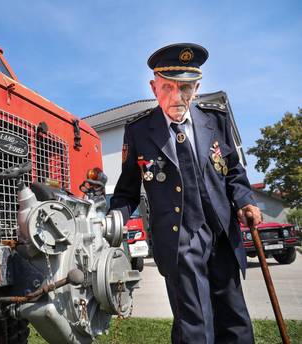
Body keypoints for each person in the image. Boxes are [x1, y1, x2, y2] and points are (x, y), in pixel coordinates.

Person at [110, 43, 262, 344]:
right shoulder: (140, 131)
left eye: (186, 88)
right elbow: (126, 191)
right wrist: (112, 220)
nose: (177, 97)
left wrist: (245, 200)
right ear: (154, 87)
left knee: (235, 320)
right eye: (168, 87)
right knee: (194, 326)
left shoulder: (215, 120)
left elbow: (233, 171)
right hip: (179, 240)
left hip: (221, 234)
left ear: (197, 87)